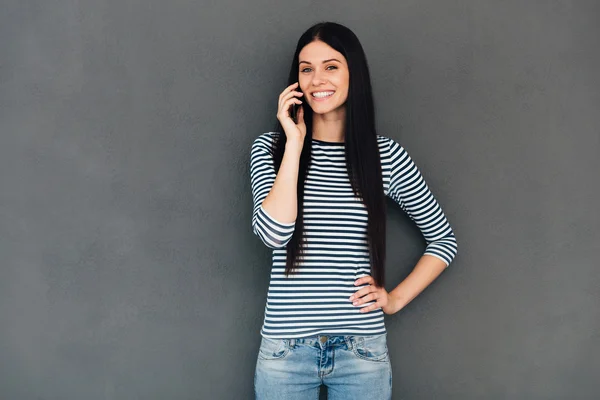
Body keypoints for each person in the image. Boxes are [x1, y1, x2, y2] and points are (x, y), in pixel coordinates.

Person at [249, 22, 458, 400]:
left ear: (353, 74)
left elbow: (443, 240)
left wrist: (393, 300)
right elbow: (274, 234)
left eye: (331, 66)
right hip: (285, 351)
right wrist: (294, 144)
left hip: (360, 351)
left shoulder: (385, 157)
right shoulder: (271, 150)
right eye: (306, 68)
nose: (317, 79)